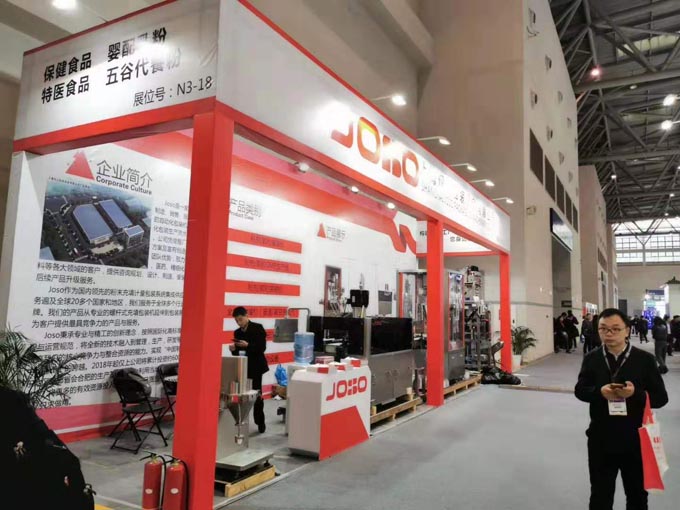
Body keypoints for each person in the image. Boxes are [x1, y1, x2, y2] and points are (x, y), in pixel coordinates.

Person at [575, 308, 668, 510]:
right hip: (601, 438)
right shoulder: (592, 358)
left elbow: (661, 398)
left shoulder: (644, 360)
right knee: (600, 495)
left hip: (636, 440)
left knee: (637, 496)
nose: (609, 334)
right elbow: (580, 390)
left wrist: (635, 394)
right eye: (603, 329)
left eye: (615, 329)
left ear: (627, 330)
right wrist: (599, 392)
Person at [229, 306, 269, 433]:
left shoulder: (258, 328)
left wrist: (248, 345)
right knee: (242, 396)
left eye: (240, 319)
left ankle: (260, 422)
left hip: (256, 367)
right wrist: (233, 350)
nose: (239, 323)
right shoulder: (237, 333)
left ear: (247, 316)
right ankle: (241, 422)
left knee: (257, 395)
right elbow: (238, 354)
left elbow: (261, 348)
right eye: (236, 321)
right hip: (243, 367)